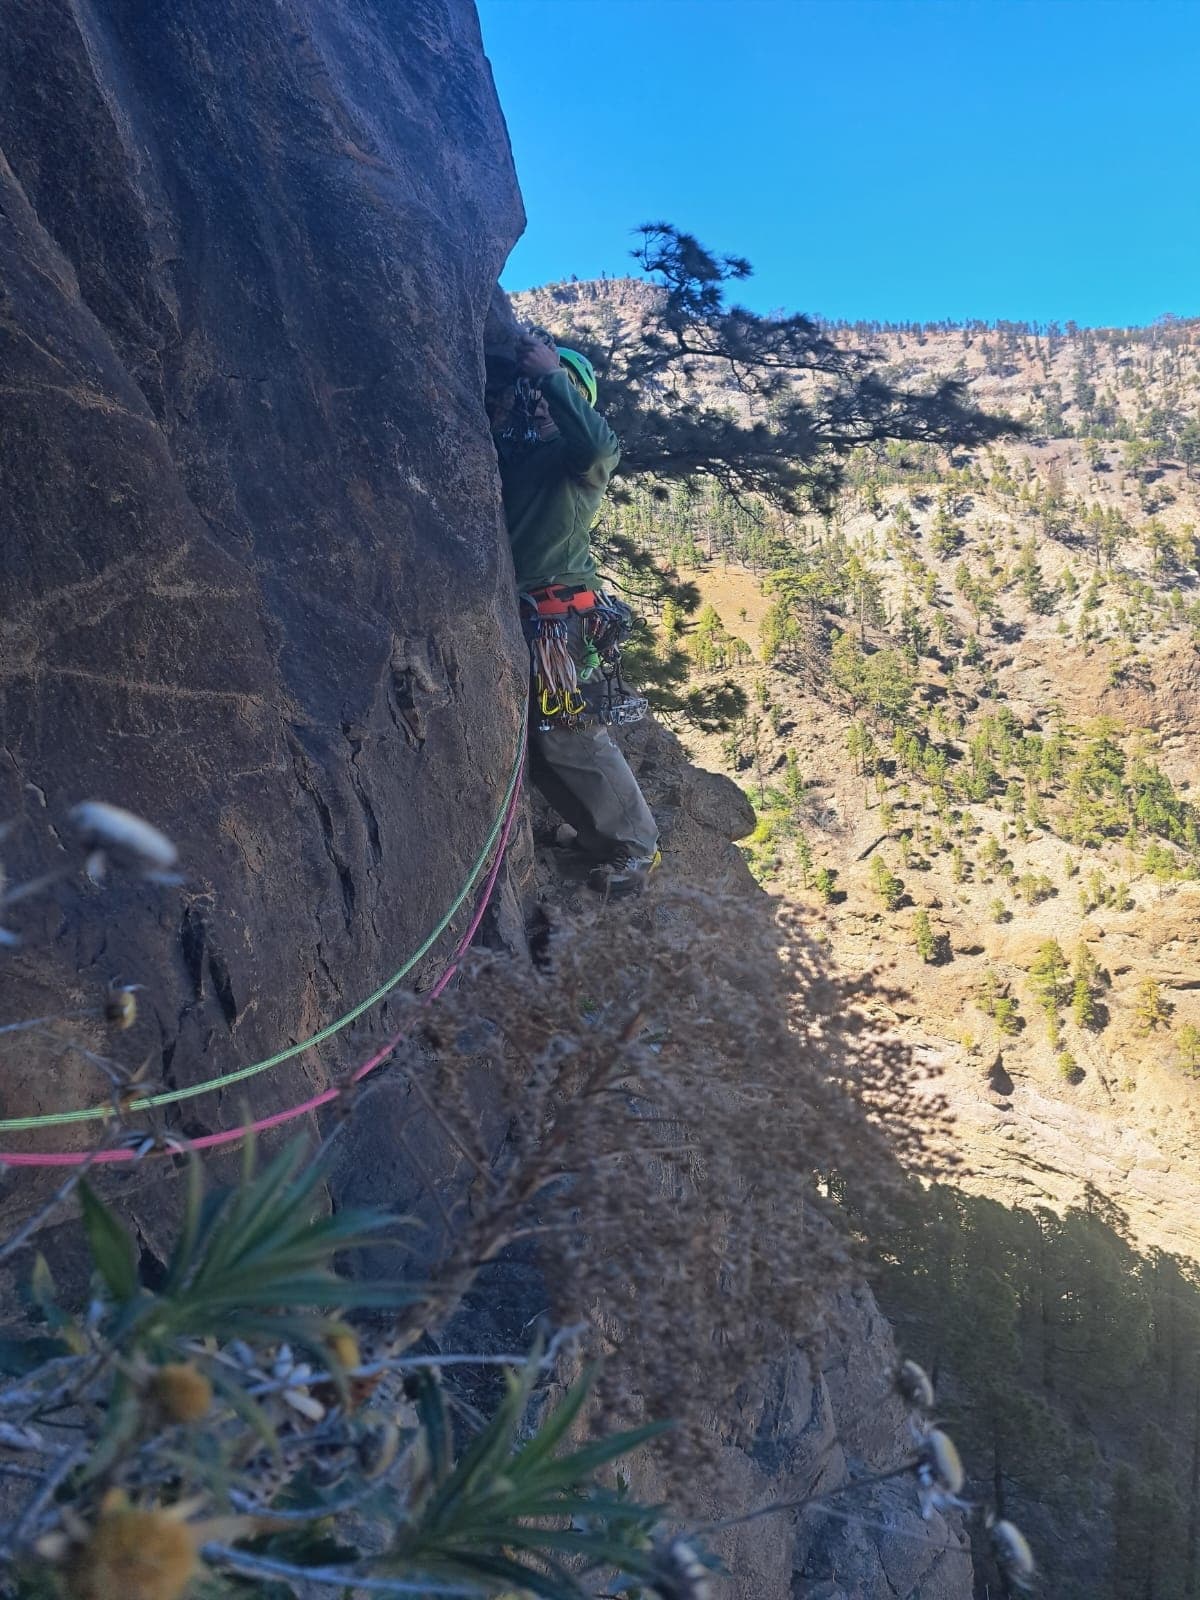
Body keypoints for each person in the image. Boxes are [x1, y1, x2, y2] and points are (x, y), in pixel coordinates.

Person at [488, 331, 659, 896]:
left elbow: (600, 448)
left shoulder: (576, 461)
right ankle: (597, 836)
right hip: (532, 613)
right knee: (542, 744)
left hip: (558, 618)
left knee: (569, 733)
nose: (533, 402)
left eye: (546, 394)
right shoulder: (522, 455)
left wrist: (555, 375)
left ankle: (635, 846)